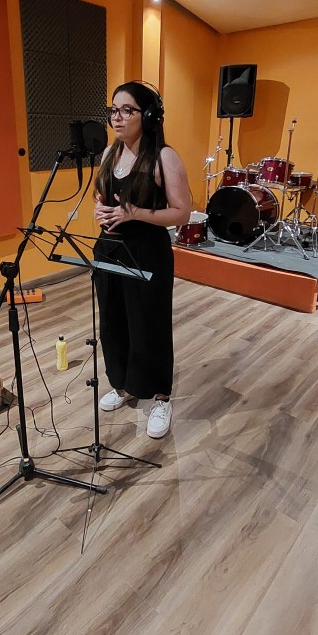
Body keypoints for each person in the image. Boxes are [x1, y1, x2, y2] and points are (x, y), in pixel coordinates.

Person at [93, 81, 191, 439]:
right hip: (109, 249)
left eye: (127, 110)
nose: (117, 118)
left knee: (149, 324)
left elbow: (182, 213)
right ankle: (124, 385)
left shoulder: (164, 157)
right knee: (113, 322)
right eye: (113, 110)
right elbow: (102, 199)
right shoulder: (109, 153)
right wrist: (100, 211)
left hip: (148, 252)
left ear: (147, 115)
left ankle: (161, 396)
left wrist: (134, 213)